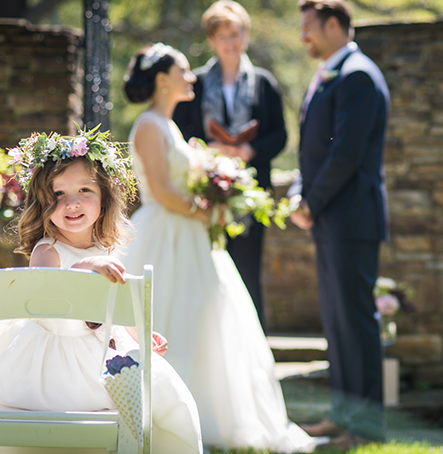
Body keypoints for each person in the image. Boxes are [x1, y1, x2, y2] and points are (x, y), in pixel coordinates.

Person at [0, 130, 202, 454]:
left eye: (84, 190)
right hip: (50, 365)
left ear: (104, 197)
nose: (72, 203)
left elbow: (117, 306)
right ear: (43, 203)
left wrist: (139, 334)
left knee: (159, 386)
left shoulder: (105, 249)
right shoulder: (48, 251)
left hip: (100, 357)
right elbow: (47, 303)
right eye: (58, 193)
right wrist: (83, 267)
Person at [117, 42, 315, 453]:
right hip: (164, 234)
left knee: (205, 320)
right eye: (184, 71)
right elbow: (160, 191)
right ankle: (160, 415)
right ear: (161, 80)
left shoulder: (168, 125)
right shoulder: (150, 126)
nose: (191, 78)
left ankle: (204, 416)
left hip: (188, 234)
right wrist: (208, 214)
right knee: (171, 316)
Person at [288, 0, 391, 448]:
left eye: (308, 26)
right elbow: (310, 150)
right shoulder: (330, 73)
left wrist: (310, 203)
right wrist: (297, 191)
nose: (303, 35)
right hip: (333, 219)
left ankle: (366, 428)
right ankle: (342, 415)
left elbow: (345, 153)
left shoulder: (359, 77)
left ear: (333, 25)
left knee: (356, 323)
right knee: (336, 324)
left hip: (352, 218)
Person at [172, 0, 287, 328]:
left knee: (248, 269)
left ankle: (252, 341)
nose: (230, 42)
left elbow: (280, 135)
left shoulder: (264, 83)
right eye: (222, 36)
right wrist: (210, 148)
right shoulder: (194, 83)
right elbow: (180, 132)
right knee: (208, 267)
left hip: (250, 193)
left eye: (236, 34)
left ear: (245, 35)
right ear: (211, 40)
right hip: (205, 192)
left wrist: (249, 151)